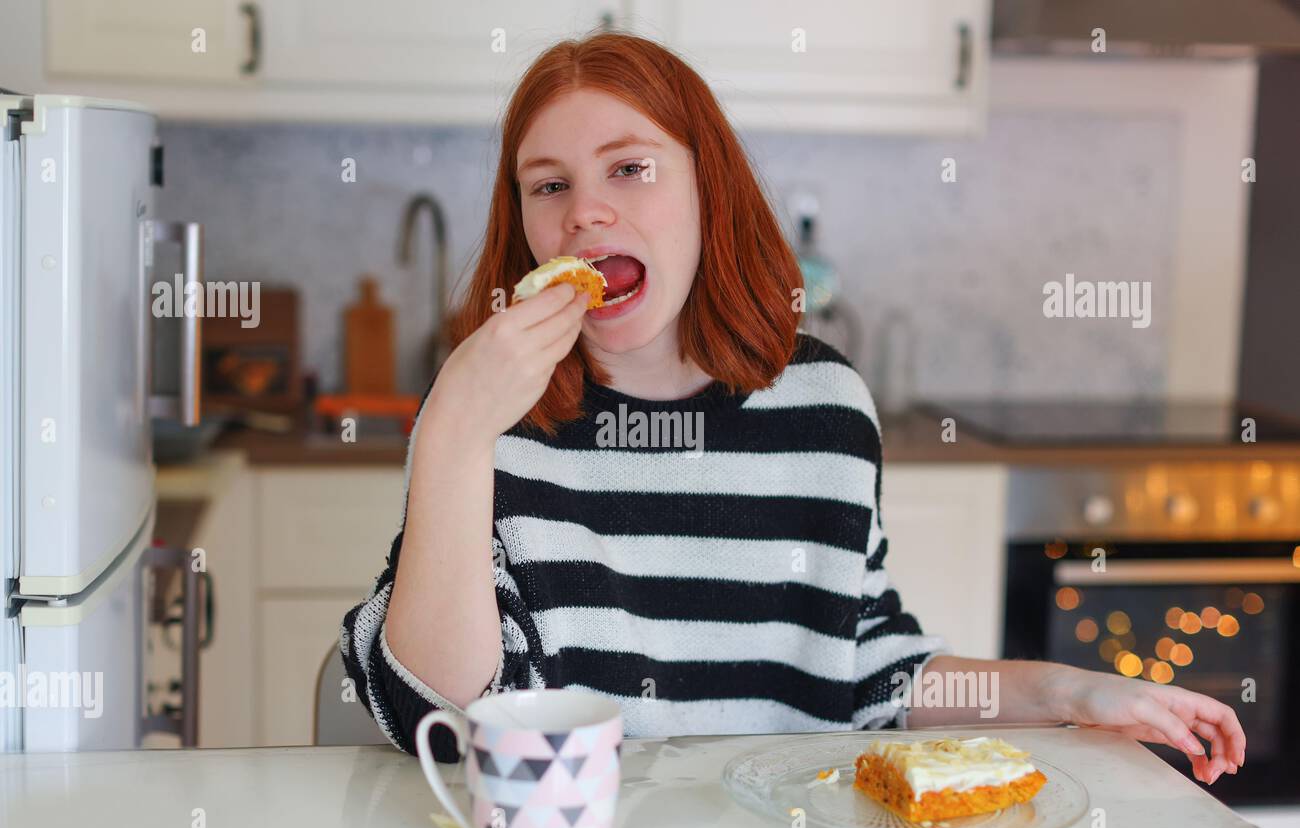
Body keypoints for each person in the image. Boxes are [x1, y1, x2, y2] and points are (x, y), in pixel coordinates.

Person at [339, 32, 1245, 783]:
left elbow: (867, 668)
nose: (586, 213)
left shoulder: (825, 410)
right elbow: (439, 712)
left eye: (631, 168)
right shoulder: (494, 420)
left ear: (708, 191)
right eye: (550, 185)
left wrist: (1070, 694)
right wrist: (454, 426)